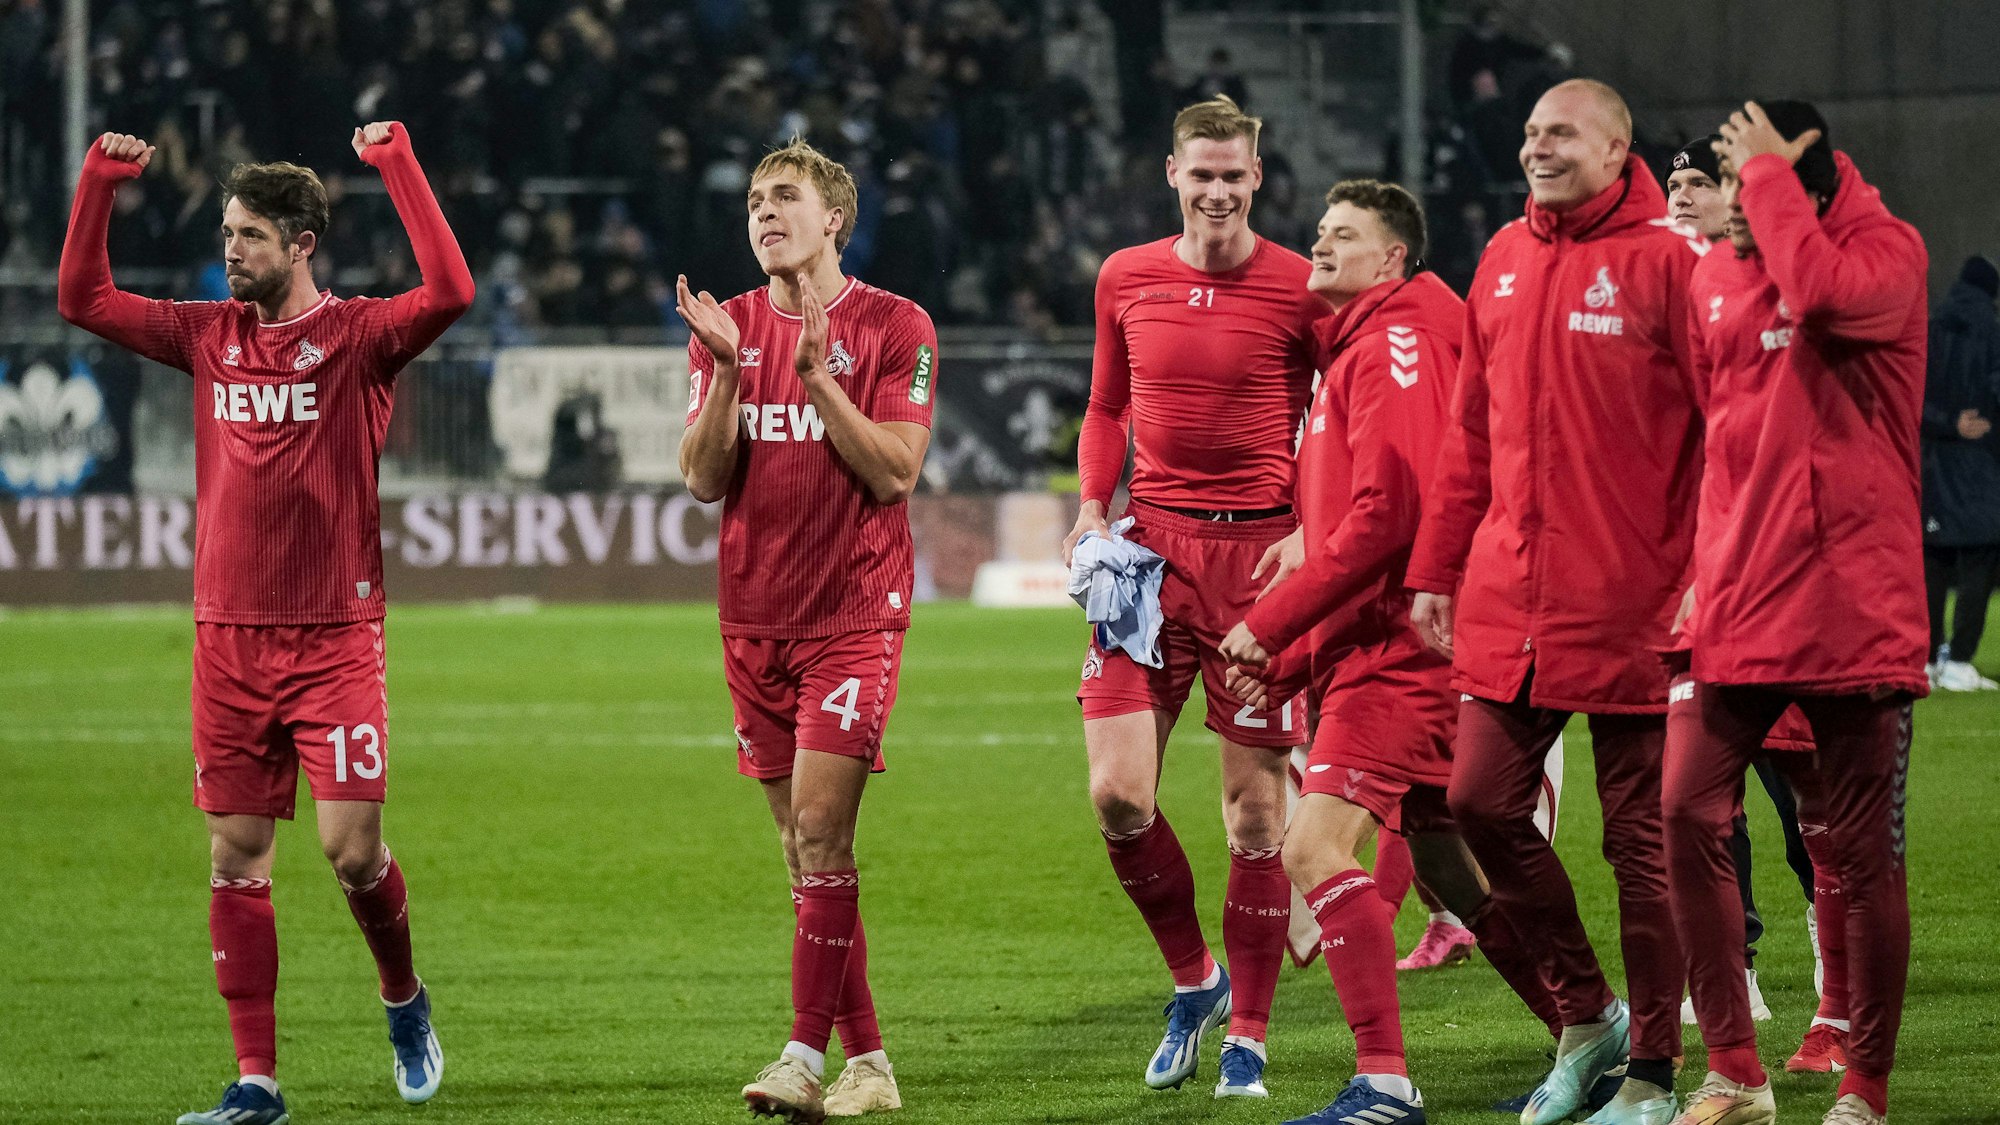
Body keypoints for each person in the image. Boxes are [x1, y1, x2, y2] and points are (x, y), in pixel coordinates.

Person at [57, 122, 474, 1125]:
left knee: (351, 852)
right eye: (225, 232)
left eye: (247, 235)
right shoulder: (210, 335)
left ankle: (403, 1000)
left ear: (300, 243)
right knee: (235, 858)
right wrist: (99, 182)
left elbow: (452, 292)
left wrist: (398, 165)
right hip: (228, 640)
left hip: (334, 636)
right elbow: (83, 300)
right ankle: (257, 1083)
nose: (229, 248)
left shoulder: (362, 337)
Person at [1217, 178, 1558, 1125]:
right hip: (1393, 643)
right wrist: (1289, 658)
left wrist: (1275, 621)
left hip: (1401, 652)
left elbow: (1390, 515)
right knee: (1452, 869)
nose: (1319, 246)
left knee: (1313, 845)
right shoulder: (1368, 341)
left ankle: (1385, 1083)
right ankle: (1591, 1035)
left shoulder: (1397, 342)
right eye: (1319, 230)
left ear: (1392, 258)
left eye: (1344, 235)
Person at [1405, 78, 1704, 1125]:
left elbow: (1725, 432)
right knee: (1476, 801)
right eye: (1530, 132)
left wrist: (1708, 572)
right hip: (1509, 598)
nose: (1537, 146)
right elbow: (1468, 435)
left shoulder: (1670, 260)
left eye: (1560, 133)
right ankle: (1587, 1020)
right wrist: (1435, 568)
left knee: (1639, 848)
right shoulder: (1499, 257)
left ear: (1617, 145)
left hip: (1634, 603)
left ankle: (1655, 1074)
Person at [1666, 99, 1927, 1125]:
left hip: (1850, 604)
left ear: (1795, 174)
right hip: (1735, 599)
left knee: (1856, 853)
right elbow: (1716, 431)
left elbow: (1816, 294)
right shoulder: (1711, 273)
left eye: (1739, 178)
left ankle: (1863, 1084)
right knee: (1683, 810)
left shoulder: (1884, 251)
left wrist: (1770, 181)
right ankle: (1734, 1069)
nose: (1722, 202)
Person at [1062, 93, 1323, 1098]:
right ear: (1170, 175)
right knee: (1117, 796)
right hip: (1147, 561)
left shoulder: (1303, 288)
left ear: (1257, 178)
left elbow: (1329, 417)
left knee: (1254, 819)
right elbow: (1104, 402)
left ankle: (1247, 1038)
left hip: (1259, 570)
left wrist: (1310, 524)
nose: (1216, 191)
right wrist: (1093, 505)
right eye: (1199, 174)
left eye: (1233, 175)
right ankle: (1196, 982)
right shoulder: (1125, 277)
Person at [677, 137, 937, 1122]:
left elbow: (895, 473)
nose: (762, 215)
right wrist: (733, 376)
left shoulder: (895, 326)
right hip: (751, 622)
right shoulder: (725, 327)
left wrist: (820, 380)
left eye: (783, 198)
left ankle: (800, 1057)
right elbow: (703, 478)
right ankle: (868, 1063)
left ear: (835, 219)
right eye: (752, 201)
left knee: (823, 832)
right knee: (803, 854)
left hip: (852, 618)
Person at [1667, 132, 1824, 1028]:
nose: (1686, 195)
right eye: (1676, 182)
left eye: (1703, 181)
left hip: (1770, 573)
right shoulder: (1666, 287)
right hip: (1684, 583)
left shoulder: (1771, 296)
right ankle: (1738, 964)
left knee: (1802, 787)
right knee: (1698, 797)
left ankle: (1826, 926)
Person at [1920, 255, 2000, 691]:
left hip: (1933, 466)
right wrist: (1976, 422)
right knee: (1978, 563)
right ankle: (1960, 661)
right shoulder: (1992, 331)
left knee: (1931, 563)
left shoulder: (1929, 330)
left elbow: (1911, 394)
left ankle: (1928, 660)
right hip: (1982, 467)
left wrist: (1946, 423)